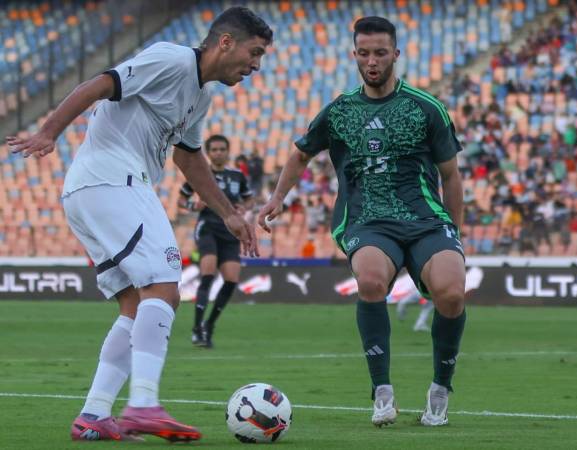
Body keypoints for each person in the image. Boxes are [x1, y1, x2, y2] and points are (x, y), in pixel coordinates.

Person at [7, 6, 270, 441]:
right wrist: (49, 131)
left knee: (135, 304)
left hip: (91, 189)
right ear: (226, 42)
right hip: (113, 179)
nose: (256, 65)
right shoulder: (172, 59)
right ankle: (143, 405)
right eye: (254, 52)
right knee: (164, 286)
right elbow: (99, 84)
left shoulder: (201, 96)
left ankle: (94, 414)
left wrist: (228, 212)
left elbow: (189, 157)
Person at [258, 16, 466, 428]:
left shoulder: (425, 108)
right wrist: (278, 197)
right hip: (367, 220)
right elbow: (300, 154)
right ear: (354, 55)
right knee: (371, 281)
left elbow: (451, 176)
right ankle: (382, 390)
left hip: (426, 219)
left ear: (396, 55)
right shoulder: (340, 110)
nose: (372, 61)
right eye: (365, 53)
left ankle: (440, 389)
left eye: (380, 53)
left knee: (452, 293)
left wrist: (454, 235)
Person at [179, 134, 254, 348]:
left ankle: (209, 325)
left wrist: (244, 207)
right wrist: (194, 206)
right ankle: (197, 329)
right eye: (214, 150)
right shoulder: (199, 174)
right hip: (208, 227)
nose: (218, 153)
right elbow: (181, 200)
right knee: (208, 273)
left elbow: (249, 199)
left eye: (222, 149)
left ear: (228, 152)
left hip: (230, 231)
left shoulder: (237, 176)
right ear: (208, 153)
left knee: (231, 280)